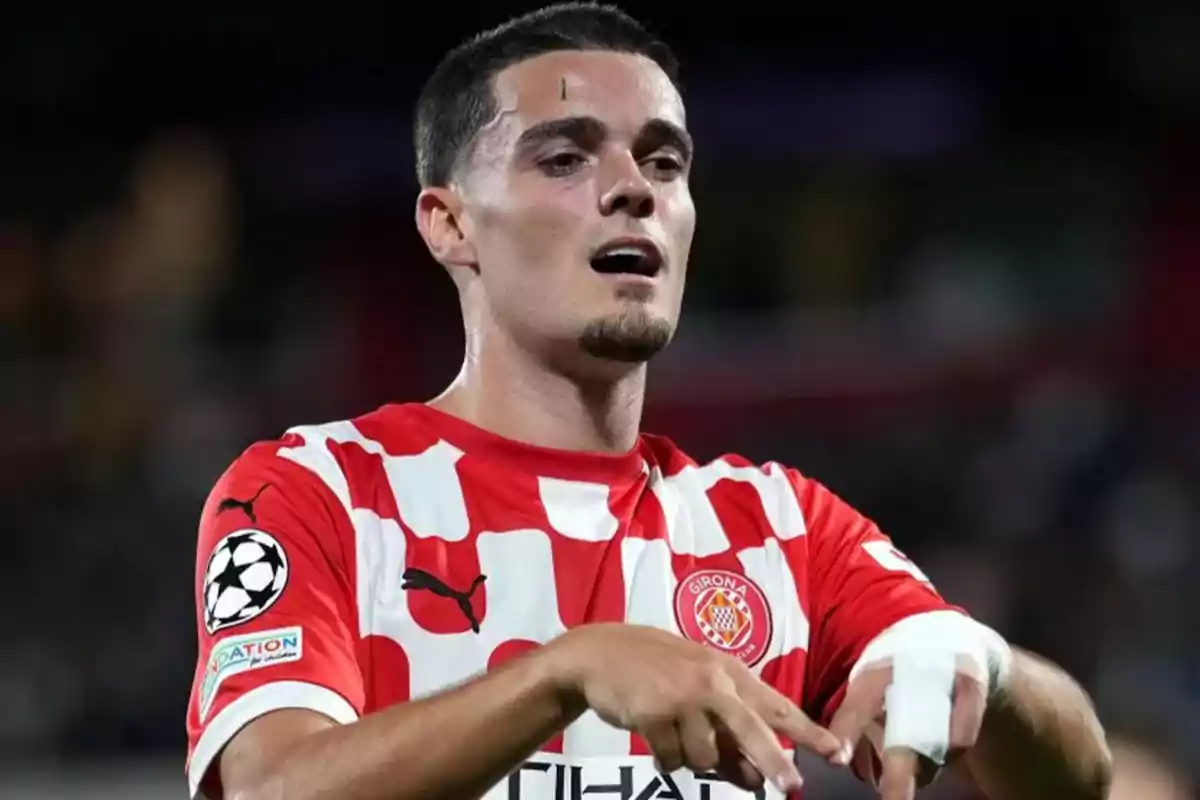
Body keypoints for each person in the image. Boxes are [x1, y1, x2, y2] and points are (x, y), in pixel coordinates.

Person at [184, 4, 1113, 799]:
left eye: (664, 164)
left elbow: (1078, 779)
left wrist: (981, 666)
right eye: (564, 159)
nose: (633, 189)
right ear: (451, 223)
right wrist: (564, 674)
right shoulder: (316, 492)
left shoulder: (777, 527)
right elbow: (269, 785)